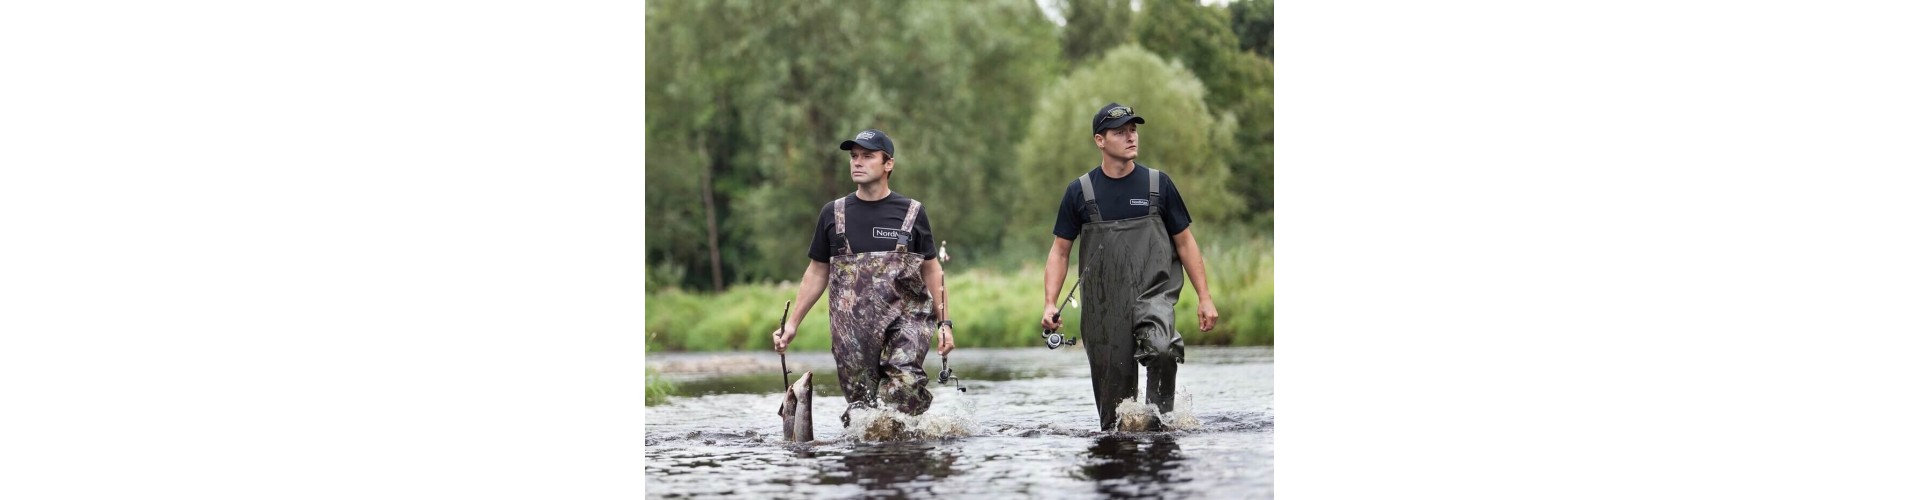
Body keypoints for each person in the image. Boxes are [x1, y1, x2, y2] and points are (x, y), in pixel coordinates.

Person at [1041, 103, 1220, 431]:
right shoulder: (1080, 192)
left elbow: (1185, 243)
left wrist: (1205, 297)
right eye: (1120, 132)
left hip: (1154, 295)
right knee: (1114, 423)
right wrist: (1051, 302)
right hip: (1103, 306)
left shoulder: (1158, 185)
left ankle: (1160, 423)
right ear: (1100, 140)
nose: (1130, 137)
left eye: (1133, 130)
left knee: (1164, 350)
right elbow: (1060, 252)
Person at [773, 128, 957, 428]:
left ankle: (909, 461)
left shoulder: (912, 212)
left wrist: (944, 323)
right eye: (854, 157)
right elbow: (817, 271)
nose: (857, 162)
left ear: (888, 164)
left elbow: (932, 268)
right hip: (852, 334)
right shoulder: (832, 213)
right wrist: (792, 324)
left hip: (907, 322)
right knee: (864, 413)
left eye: (867, 156)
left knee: (905, 390)